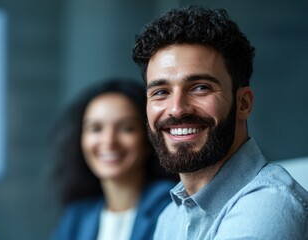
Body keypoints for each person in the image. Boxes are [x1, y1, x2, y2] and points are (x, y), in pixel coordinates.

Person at [131, 5, 308, 240]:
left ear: (243, 103)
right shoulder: (170, 216)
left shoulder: (269, 204)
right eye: (161, 92)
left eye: (200, 87)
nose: (176, 109)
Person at [0, 79, 177, 240]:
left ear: (150, 139)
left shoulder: (172, 207)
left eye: (126, 128)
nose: (108, 142)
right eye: (95, 128)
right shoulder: (77, 217)